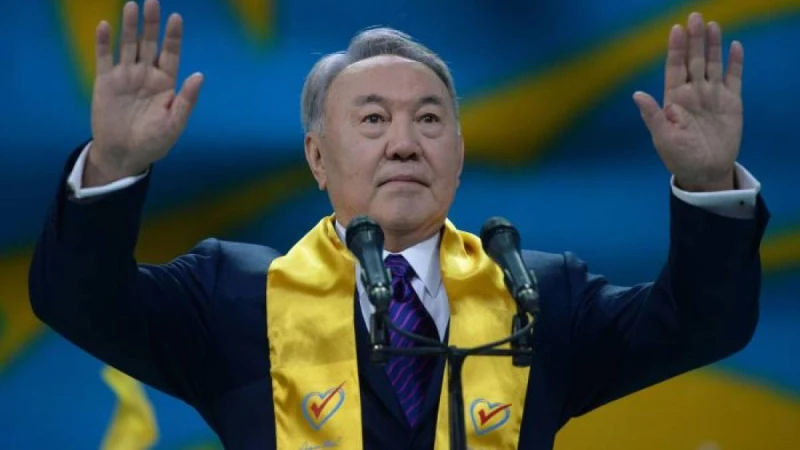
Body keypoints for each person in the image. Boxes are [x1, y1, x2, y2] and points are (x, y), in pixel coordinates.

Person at [28, 0, 769, 449]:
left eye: (429, 120)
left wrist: (708, 181)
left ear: (458, 155)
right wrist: (115, 162)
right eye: (373, 120)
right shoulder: (231, 298)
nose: (405, 143)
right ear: (318, 157)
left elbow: (702, 323)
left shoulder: (535, 296)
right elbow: (79, 300)